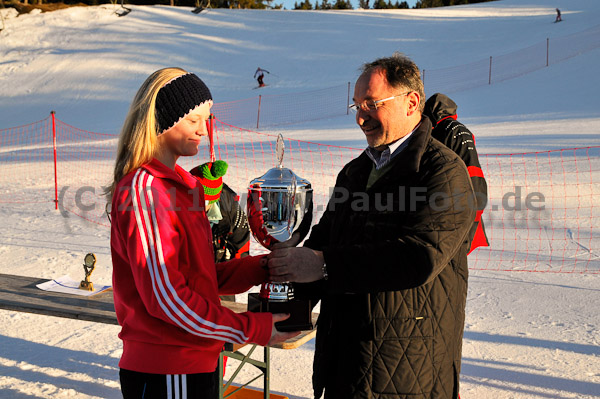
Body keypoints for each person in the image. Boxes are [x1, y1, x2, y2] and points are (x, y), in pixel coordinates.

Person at [267, 53, 476, 399]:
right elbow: (324, 241)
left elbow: (417, 258)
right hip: (345, 365)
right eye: (356, 106)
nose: (361, 117)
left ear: (412, 103)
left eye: (371, 104)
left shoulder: (442, 172)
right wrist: (283, 286)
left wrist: (322, 265)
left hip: (408, 372)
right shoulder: (355, 172)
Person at [107, 67, 298, 399]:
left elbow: (199, 278)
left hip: (195, 360)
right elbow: (167, 299)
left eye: (206, 119)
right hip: (169, 365)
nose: (203, 130)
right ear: (162, 120)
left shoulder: (183, 186)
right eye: (193, 120)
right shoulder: (147, 190)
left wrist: (262, 268)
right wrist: (252, 328)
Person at [424, 92, 489, 254]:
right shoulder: (461, 129)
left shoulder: (440, 131)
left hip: (452, 208)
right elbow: (473, 169)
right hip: (468, 199)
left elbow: (466, 170)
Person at [190, 160, 251, 301]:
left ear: (213, 199)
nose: (198, 206)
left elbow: (242, 249)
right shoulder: (175, 205)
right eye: (192, 199)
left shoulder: (231, 210)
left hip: (221, 275)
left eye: (204, 201)